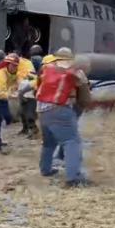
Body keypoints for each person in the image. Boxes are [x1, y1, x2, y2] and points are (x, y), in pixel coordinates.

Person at [36, 47, 91, 187]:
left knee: (49, 142)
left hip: (41, 109)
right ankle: (73, 178)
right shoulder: (76, 72)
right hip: (60, 110)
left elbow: (38, 86)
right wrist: (80, 108)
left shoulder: (46, 67)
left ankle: (45, 169)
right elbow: (85, 98)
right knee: (72, 142)